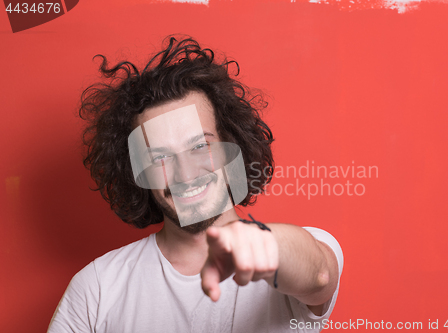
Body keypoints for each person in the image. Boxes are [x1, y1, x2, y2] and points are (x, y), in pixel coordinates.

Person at [47, 36, 344, 333]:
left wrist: (260, 244)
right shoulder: (97, 288)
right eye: (160, 157)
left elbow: (318, 276)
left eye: (200, 146)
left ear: (232, 145)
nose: (185, 173)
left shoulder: (297, 254)